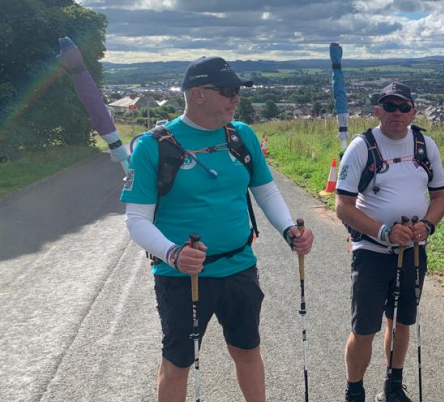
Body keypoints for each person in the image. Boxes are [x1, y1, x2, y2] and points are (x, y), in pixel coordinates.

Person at [120, 56, 314, 402]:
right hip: (182, 276)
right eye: (227, 90)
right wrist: (173, 254)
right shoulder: (153, 146)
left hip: (239, 267)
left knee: (248, 351)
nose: (235, 97)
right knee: (178, 364)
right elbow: (136, 219)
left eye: (237, 90)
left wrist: (289, 230)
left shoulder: (241, 136)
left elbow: (265, 190)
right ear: (197, 94)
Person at [335, 82, 444, 402]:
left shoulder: (425, 144)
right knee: (364, 328)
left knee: (401, 322)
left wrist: (427, 225)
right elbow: (342, 205)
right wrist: (382, 231)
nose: (396, 113)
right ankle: (354, 391)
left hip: (413, 250)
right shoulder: (362, 147)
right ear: (377, 111)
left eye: (403, 107)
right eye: (389, 106)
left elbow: (440, 196)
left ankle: (393, 386)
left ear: (413, 111)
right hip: (371, 253)